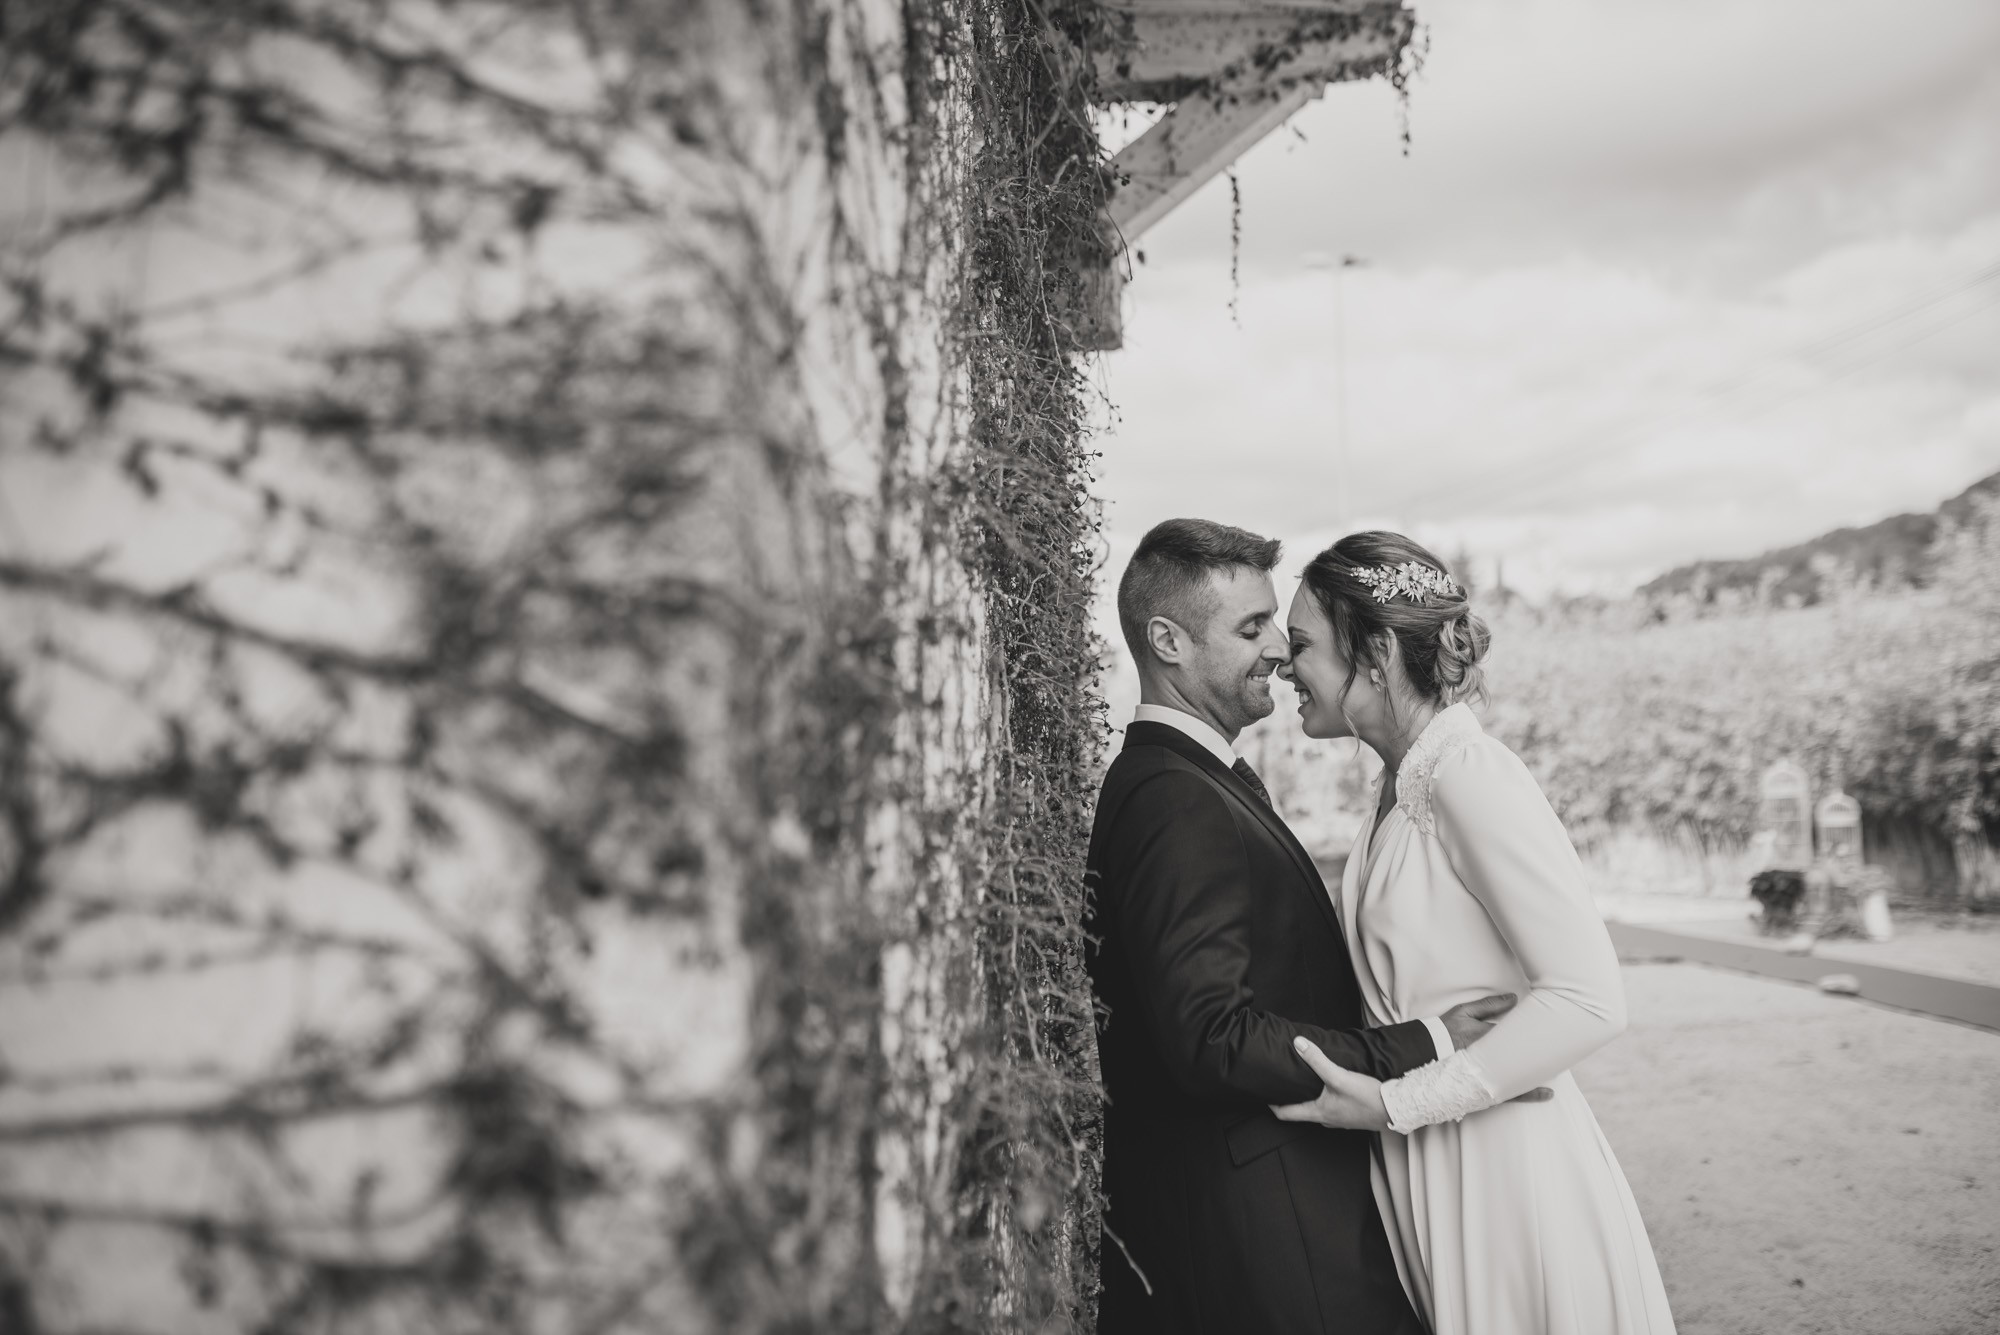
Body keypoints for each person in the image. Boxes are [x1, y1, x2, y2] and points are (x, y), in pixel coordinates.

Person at [1085, 518, 1530, 1335]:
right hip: (1261, 1236)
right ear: (1167, 641)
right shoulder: (1171, 796)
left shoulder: (1191, 779)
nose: (1279, 653)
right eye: (1252, 628)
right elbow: (1211, 1037)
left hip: (1275, 1217)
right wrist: (1425, 1042)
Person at [1269, 530, 1677, 1335]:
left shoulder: (1469, 773)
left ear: (1376, 652)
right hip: (1436, 1163)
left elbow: (1591, 997)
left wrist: (1398, 1101)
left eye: (1302, 645)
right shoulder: (1400, 783)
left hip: (1506, 1173)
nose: (1286, 667)